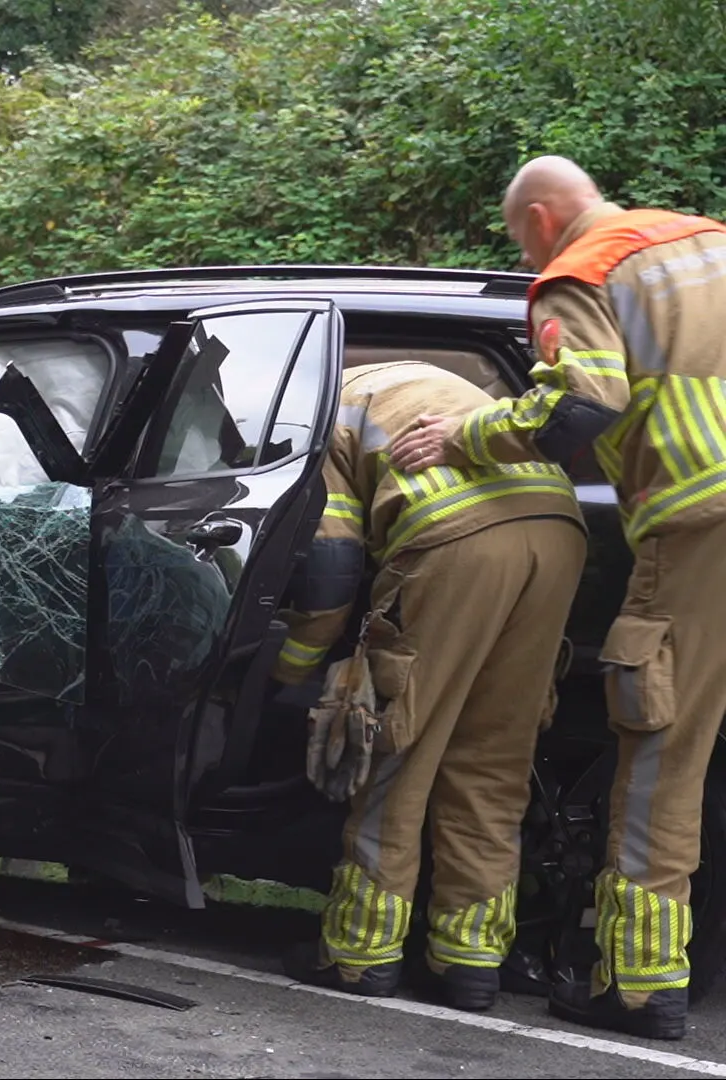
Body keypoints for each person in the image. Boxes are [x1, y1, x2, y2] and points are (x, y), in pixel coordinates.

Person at [389, 155, 726, 1040]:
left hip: (704, 525)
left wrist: (465, 432)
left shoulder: (584, 271)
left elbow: (583, 404)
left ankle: (642, 982)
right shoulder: (706, 245)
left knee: (663, 752)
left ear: (540, 219)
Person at [275, 359, 586, 1012]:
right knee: (496, 757)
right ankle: (468, 960)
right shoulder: (423, 380)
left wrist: (292, 672)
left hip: (454, 541)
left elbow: (330, 573)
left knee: (398, 747)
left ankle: (360, 954)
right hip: (558, 531)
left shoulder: (319, 417)